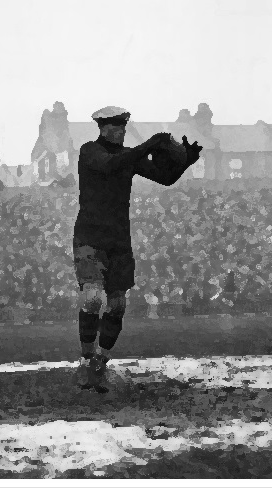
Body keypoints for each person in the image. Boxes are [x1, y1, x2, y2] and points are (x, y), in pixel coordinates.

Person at [73, 106, 202, 392]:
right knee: (93, 297)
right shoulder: (90, 151)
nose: (119, 131)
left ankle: (101, 363)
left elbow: (165, 178)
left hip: (119, 238)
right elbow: (110, 165)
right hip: (90, 237)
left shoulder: (129, 156)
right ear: (102, 128)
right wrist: (149, 144)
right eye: (114, 127)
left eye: (122, 127)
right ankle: (85, 359)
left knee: (117, 304)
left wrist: (185, 162)